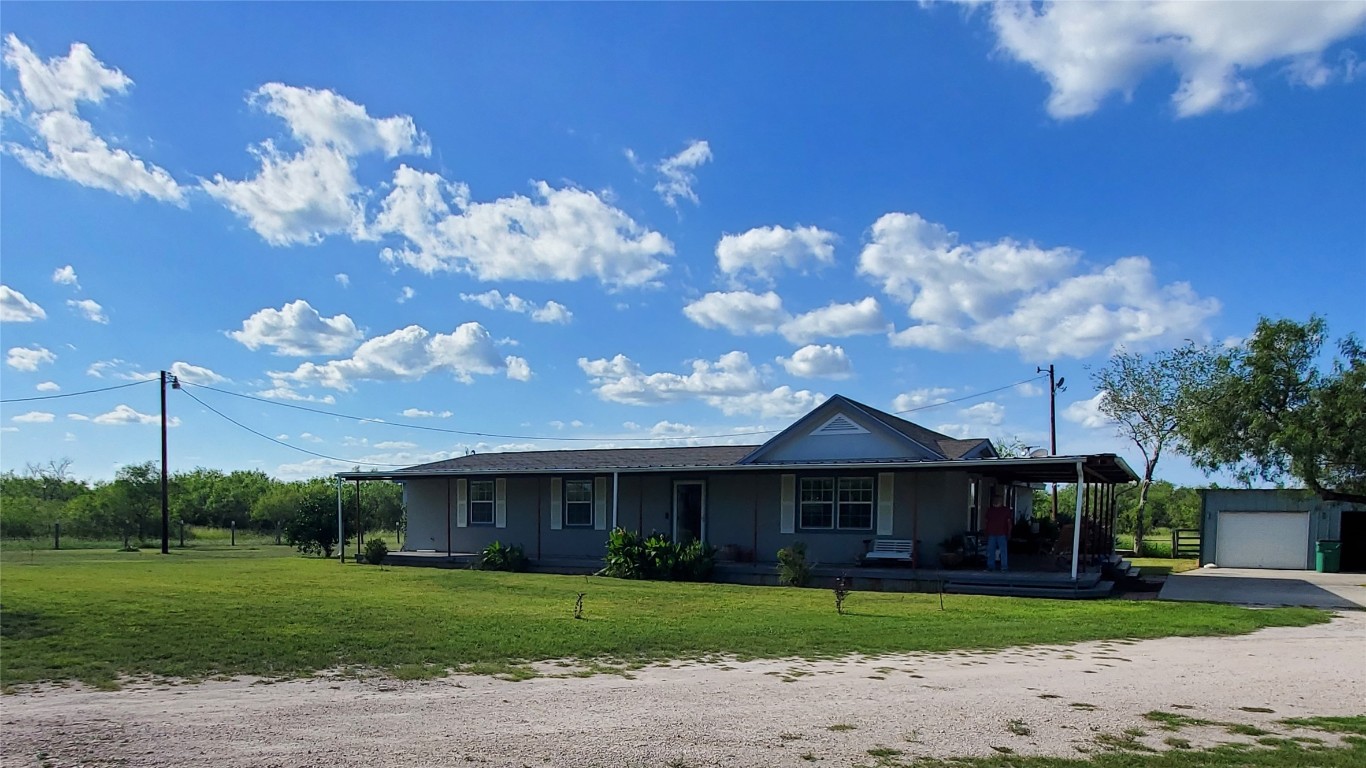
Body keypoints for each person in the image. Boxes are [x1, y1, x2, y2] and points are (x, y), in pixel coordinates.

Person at [983, 491, 1014, 571]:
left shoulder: (1006, 510)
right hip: (991, 533)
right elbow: (986, 522)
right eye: (995, 500)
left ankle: (1004, 567)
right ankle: (990, 566)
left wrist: (1009, 532)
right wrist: (986, 532)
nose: (996, 501)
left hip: (1002, 533)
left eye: (998, 500)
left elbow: (1009, 523)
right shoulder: (990, 510)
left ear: (1001, 501)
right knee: (990, 551)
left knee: (1003, 551)